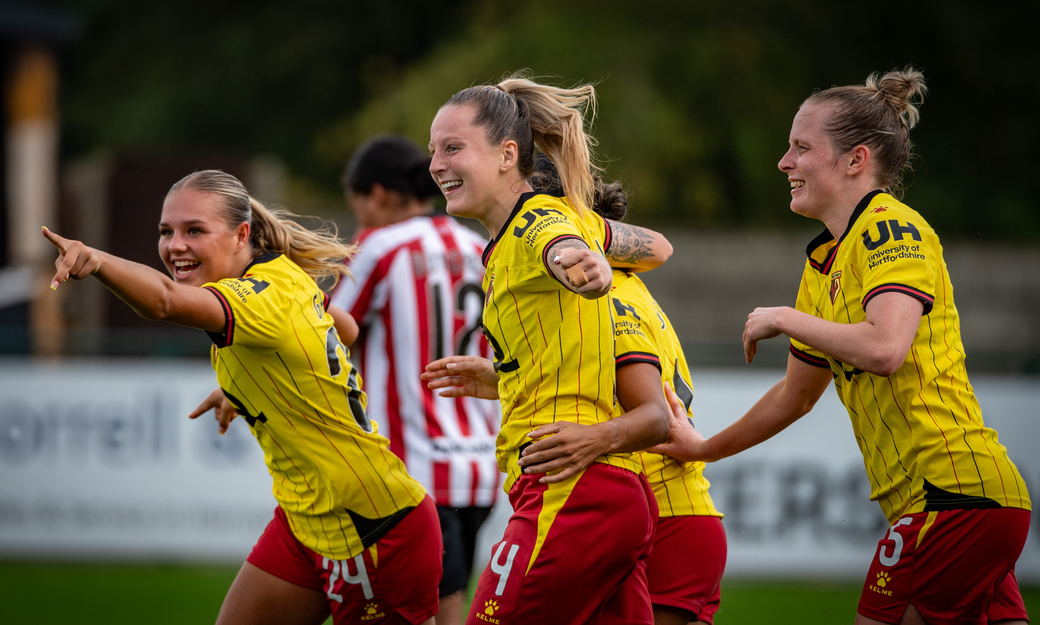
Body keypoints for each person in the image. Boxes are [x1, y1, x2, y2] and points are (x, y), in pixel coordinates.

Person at [653, 68, 1031, 625]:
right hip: (956, 504)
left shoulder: (890, 230)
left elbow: (885, 348)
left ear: (856, 160)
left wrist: (785, 317)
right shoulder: (824, 261)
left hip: (951, 498)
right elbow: (796, 396)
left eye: (801, 148)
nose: (784, 162)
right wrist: (703, 449)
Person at [43, 169, 441, 625]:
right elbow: (343, 329)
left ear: (242, 235)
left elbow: (165, 302)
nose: (175, 246)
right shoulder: (281, 274)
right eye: (166, 231)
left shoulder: (260, 297)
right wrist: (255, 386)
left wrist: (95, 260)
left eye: (195, 230)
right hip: (306, 519)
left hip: (371, 527)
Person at [426, 164, 727, 625]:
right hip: (648, 505)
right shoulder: (605, 290)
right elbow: (659, 248)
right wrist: (505, 377)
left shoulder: (608, 299)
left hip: (663, 507)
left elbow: (652, 415)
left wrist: (594, 438)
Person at [329, 134, 501, 625]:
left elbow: (324, 336)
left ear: (377, 195)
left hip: (409, 476)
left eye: (358, 205)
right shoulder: (483, 248)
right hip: (481, 469)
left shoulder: (379, 246)